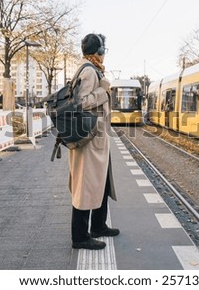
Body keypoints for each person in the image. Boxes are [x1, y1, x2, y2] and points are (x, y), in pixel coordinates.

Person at [69, 33, 119, 250]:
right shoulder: (89, 71)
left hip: (95, 138)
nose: (104, 54)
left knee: (101, 182)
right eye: (103, 50)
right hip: (89, 139)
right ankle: (80, 237)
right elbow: (81, 102)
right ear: (97, 52)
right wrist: (103, 91)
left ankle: (99, 225)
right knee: (86, 185)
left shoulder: (92, 68)